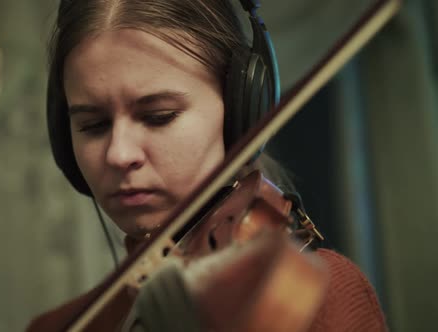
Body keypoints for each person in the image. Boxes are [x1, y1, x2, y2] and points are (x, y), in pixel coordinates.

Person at [28, 0, 388, 331]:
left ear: (240, 113)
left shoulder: (319, 296)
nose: (119, 155)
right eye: (93, 125)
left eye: (158, 116)